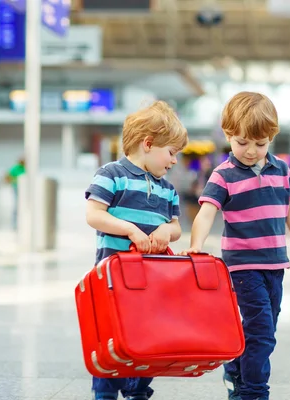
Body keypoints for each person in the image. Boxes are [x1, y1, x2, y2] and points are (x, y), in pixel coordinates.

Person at [180, 92, 290, 400]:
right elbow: (206, 213)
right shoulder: (224, 174)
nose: (252, 151)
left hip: (275, 266)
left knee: (264, 331)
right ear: (228, 135)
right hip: (243, 268)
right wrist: (196, 245)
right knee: (262, 335)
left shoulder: (281, 170)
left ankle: (235, 369)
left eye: (261, 143)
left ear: (271, 138)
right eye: (242, 143)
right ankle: (254, 392)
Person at [84, 100, 188, 400]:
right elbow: (94, 215)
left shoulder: (167, 189)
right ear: (148, 144)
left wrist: (165, 231)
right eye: (171, 153)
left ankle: (138, 391)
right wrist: (131, 229)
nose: (174, 161)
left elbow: (176, 227)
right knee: (111, 341)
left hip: (150, 284)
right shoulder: (111, 174)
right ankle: (106, 393)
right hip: (112, 284)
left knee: (146, 342)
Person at [4, 157, 25, 228]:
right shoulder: (16, 168)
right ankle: (15, 224)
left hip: (24, 189)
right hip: (16, 188)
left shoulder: (25, 168)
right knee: (17, 205)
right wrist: (12, 182)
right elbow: (7, 176)